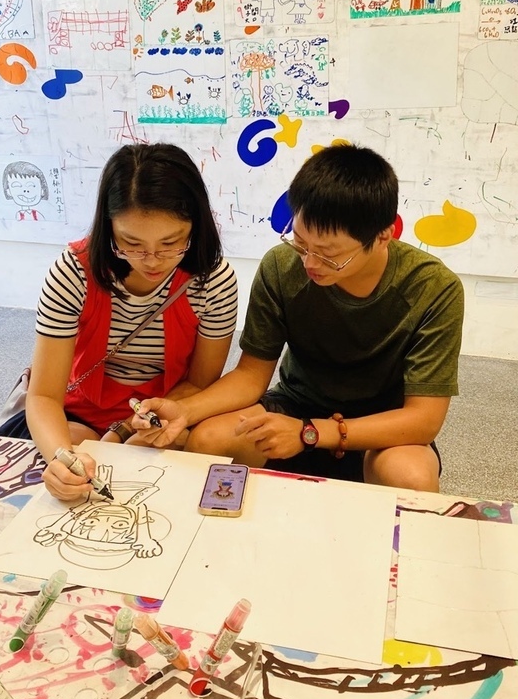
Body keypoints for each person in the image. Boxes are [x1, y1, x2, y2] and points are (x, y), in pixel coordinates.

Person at [128, 144, 464, 492]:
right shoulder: (281, 267)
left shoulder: (433, 287)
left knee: (411, 477)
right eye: (301, 243)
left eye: (329, 255)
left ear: (383, 237)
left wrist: (310, 432)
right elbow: (250, 375)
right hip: (296, 406)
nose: (310, 263)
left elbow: (423, 419)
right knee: (209, 440)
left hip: (382, 425)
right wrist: (186, 411)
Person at [0, 143, 237, 501]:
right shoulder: (74, 271)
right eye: (131, 243)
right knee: (74, 462)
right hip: (75, 411)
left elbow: (199, 383)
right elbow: (44, 395)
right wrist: (62, 458)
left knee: (169, 460)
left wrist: (123, 431)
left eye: (171, 242)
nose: (152, 260)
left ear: (196, 226)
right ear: (108, 226)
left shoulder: (212, 280)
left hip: (160, 412)